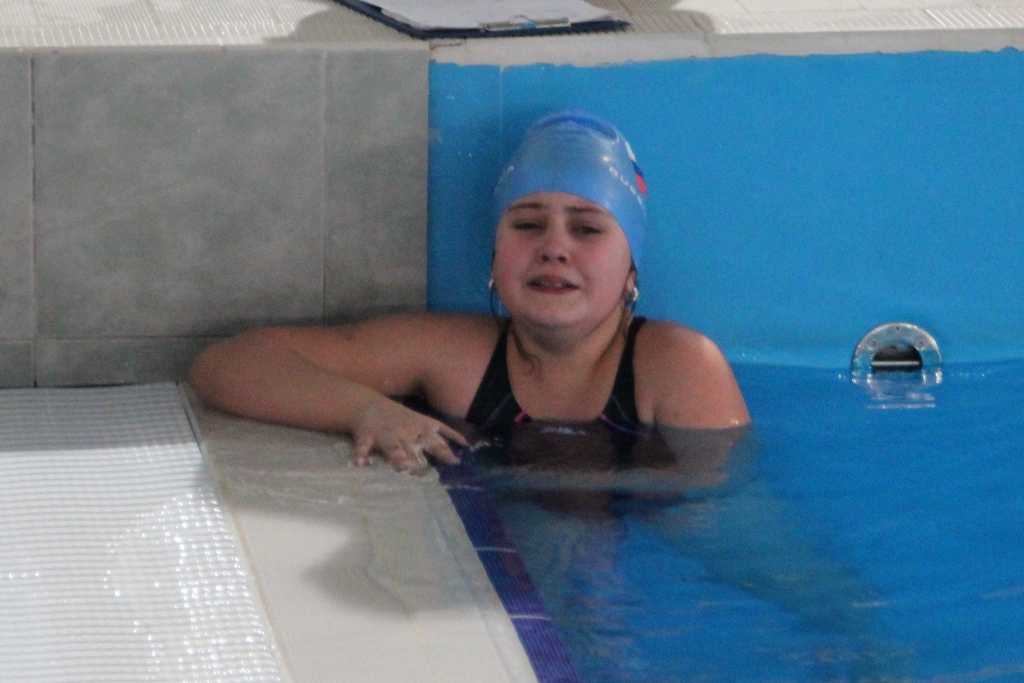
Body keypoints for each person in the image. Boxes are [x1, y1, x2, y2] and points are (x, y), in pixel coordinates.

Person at [187, 111, 750, 474]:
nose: (554, 248)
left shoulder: (678, 367)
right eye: (527, 224)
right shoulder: (457, 356)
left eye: (587, 229)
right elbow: (228, 364)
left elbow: (719, 521)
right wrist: (365, 410)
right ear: (495, 256)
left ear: (631, 270)